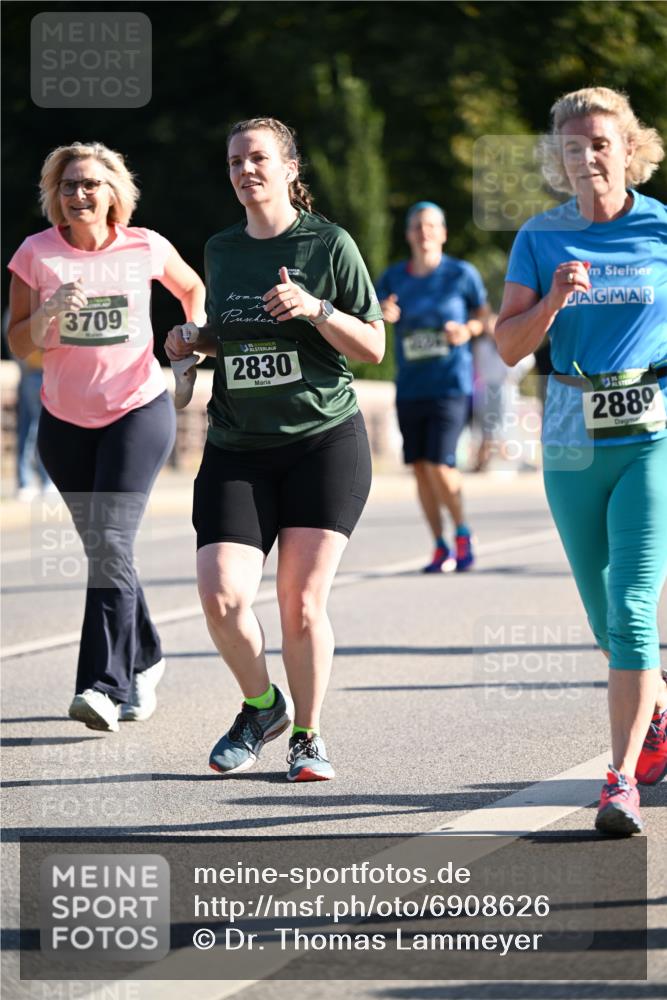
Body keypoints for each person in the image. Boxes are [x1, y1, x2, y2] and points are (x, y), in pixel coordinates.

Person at [166, 117, 384, 782]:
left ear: (290, 168)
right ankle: (262, 707)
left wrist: (315, 308)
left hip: (323, 441)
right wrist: (193, 342)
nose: (244, 170)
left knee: (300, 602)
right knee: (222, 596)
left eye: (258, 157)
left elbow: (373, 347)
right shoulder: (222, 248)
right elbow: (232, 336)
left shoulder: (329, 244)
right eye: (234, 160)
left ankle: (308, 736)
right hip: (237, 445)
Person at [495, 87, 667, 835]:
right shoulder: (538, 236)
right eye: (573, 147)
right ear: (557, 159)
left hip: (650, 428)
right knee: (603, 619)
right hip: (568, 424)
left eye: (600, 143)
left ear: (628, 148)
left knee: (631, 610)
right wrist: (552, 303)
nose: (587, 157)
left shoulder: (661, 228)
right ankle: (654, 705)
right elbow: (507, 346)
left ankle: (619, 780)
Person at [7, 141, 206, 732]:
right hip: (64, 425)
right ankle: (147, 657)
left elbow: (192, 290)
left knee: (110, 542)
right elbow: (19, 346)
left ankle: (104, 684)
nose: (79, 194)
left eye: (91, 183)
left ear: (113, 191)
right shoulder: (35, 254)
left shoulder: (145, 245)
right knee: (105, 550)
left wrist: (188, 346)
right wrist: (48, 315)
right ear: (56, 197)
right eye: (68, 186)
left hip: (137, 411)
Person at [376, 202, 491, 573]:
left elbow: (483, 316)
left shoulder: (461, 273)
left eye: (431, 226)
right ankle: (439, 544)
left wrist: (468, 330)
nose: (424, 232)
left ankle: (462, 531)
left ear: (442, 233)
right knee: (422, 468)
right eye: (417, 226)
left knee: (441, 463)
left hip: (451, 384)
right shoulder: (394, 277)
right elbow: (373, 314)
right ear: (409, 234)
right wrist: (382, 312)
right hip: (410, 385)